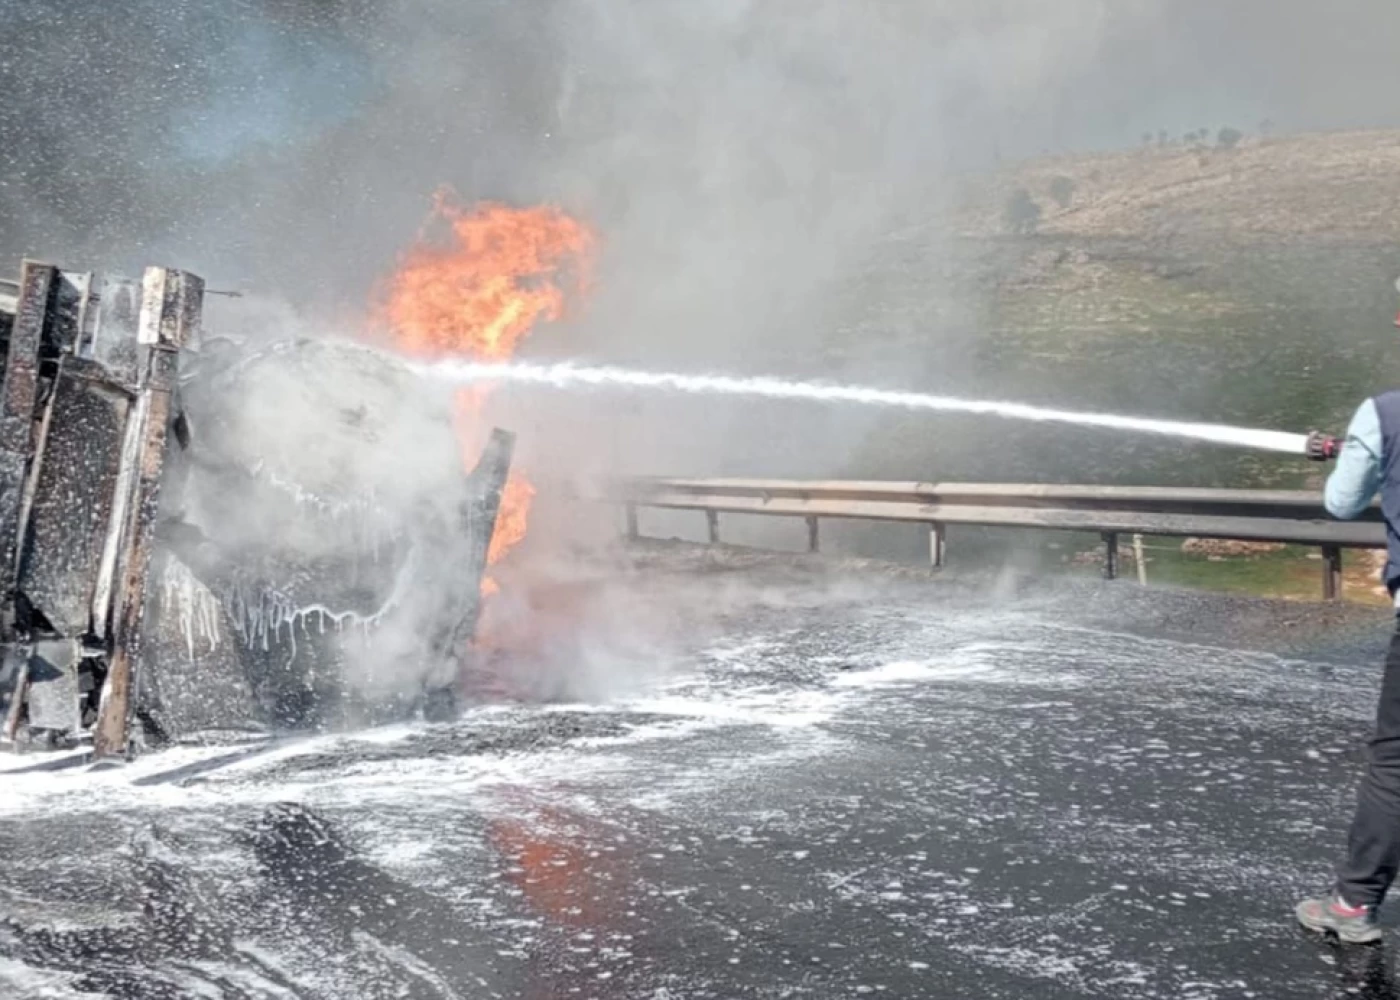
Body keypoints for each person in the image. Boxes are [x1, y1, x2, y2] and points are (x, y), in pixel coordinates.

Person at [1297, 396, 1400, 944]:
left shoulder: (1384, 413)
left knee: (1395, 766)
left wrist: (1357, 453)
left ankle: (1354, 905)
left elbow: (1342, 503)